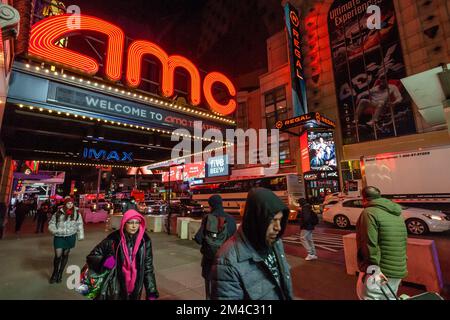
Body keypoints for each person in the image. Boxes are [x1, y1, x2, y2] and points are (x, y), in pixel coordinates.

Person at [210, 188, 293, 300]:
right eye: (272, 220)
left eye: (280, 220)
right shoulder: (227, 262)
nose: (278, 227)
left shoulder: (275, 243)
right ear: (257, 220)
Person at [86, 209, 158, 300]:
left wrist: (151, 292)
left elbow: (148, 268)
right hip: (115, 286)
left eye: (137, 223)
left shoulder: (145, 241)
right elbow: (92, 256)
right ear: (124, 223)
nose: (134, 226)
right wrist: (107, 262)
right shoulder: (113, 239)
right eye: (130, 222)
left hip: (135, 289)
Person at [356, 186, 408, 300]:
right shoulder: (396, 213)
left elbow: (369, 243)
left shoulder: (369, 213)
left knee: (369, 296)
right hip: (398, 267)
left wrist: (373, 268)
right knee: (390, 297)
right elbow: (403, 238)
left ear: (364, 199)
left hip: (380, 269)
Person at [194, 195, 237, 299]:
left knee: (209, 293)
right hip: (226, 262)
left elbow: (198, 238)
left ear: (211, 205)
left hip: (209, 262)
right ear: (221, 204)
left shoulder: (208, 218)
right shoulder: (231, 219)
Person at [48, 196, 84, 284]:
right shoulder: (58, 213)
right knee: (58, 256)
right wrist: (54, 230)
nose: (70, 205)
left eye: (71, 203)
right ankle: (55, 273)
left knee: (65, 255)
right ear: (65, 204)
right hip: (59, 237)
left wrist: (80, 235)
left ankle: (60, 273)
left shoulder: (76, 214)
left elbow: (80, 225)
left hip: (70, 236)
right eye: (68, 203)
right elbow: (52, 223)